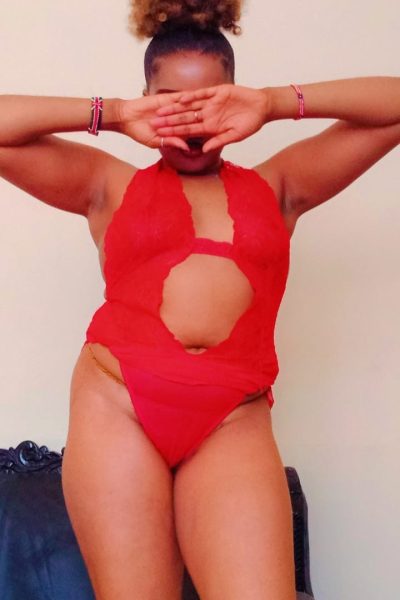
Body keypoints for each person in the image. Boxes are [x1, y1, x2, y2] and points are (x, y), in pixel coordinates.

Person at [1, 0, 399, 598]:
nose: (191, 123)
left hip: (232, 420)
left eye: (210, 102)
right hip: (118, 408)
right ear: (145, 98)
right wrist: (115, 114)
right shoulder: (106, 186)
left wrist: (273, 103)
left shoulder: (280, 186)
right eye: (169, 103)